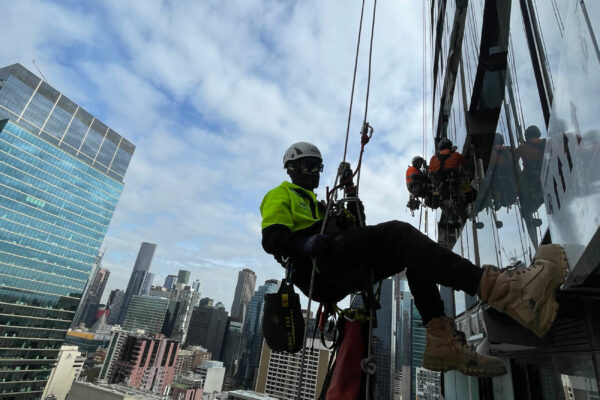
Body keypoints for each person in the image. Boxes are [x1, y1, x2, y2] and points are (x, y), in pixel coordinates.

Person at [260, 142, 568, 378]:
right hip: (317, 267)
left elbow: (358, 231)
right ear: (291, 169)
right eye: (307, 167)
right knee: (399, 233)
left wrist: (350, 192)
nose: (314, 172)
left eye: (317, 166)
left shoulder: (319, 203)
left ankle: (440, 339)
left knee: (415, 255)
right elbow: (272, 239)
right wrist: (304, 245)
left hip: (337, 266)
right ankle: (509, 293)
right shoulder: (281, 195)